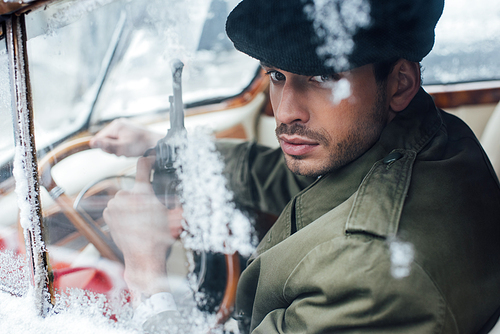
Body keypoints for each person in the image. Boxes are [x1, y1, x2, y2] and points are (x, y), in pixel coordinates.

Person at [91, 0, 500, 332]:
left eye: (321, 77)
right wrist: (167, 148)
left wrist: (146, 277)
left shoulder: (369, 273)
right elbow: (282, 180)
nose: (285, 112)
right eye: (276, 75)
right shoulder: (418, 137)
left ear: (399, 83)